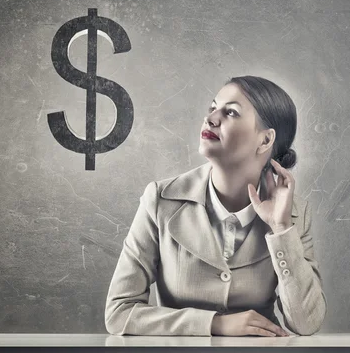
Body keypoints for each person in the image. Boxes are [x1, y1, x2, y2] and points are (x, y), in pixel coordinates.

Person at [104, 75, 327, 337]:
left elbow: (306, 323)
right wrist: (214, 324)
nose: (210, 118)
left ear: (265, 141)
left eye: (230, 112)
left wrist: (280, 229)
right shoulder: (160, 200)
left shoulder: (293, 216)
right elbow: (119, 313)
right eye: (212, 107)